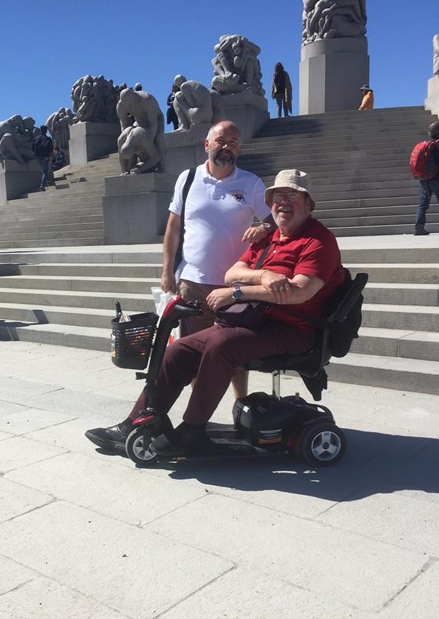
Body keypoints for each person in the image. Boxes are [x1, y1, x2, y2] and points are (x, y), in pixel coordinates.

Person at [86, 169, 344, 455]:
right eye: (277, 196)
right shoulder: (268, 238)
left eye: (292, 196)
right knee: (179, 351)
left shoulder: (318, 241)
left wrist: (237, 292)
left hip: (294, 328)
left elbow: (299, 292)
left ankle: (193, 429)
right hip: (254, 321)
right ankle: (137, 421)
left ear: (307, 204)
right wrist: (266, 275)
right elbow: (233, 270)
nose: (283, 202)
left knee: (221, 346)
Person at [161, 120, 274, 398]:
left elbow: (275, 222)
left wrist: (263, 227)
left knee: (234, 351)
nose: (227, 147)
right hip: (193, 283)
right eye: (221, 140)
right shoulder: (187, 179)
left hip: (235, 289)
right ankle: (198, 418)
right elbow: (173, 227)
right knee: (194, 354)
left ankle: (241, 404)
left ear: (239, 148)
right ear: (207, 144)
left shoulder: (251, 183)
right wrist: (166, 271)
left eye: (233, 142)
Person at [413, 120, 439, 236]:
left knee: (422, 204)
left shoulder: (427, 146)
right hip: (436, 177)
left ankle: (419, 227)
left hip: (424, 179)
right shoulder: (437, 145)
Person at [32, 125, 54, 190]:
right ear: (46, 131)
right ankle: (42, 185)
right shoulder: (48, 139)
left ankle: (48, 180)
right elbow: (50, 149)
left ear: (40, 131)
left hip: (37, 157)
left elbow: (32, 148)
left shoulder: (36, 138)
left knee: (44, 170)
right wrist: (50, 155)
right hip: (45, 157)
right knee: (45, 171)